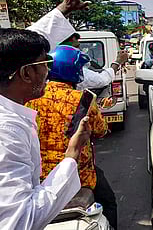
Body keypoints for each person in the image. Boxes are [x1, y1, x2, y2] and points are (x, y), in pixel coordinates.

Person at [0, 28, 91, 229]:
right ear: (26, 73)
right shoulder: (7, 131)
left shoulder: (21, 109)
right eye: (45, 64)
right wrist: (72, 155)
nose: (48, 71)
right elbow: (19, 220)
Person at [25, 45, 117, 228]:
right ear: (74, 71)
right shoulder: (83, 99)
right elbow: (100, 130)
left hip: (38, 176)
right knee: (109, 202)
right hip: (79, 175)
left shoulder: (31, 97)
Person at [61, 33, 129, 90]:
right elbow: (102, 80)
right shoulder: (73, 71)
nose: (79, 51)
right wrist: (118, 61)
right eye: (76, 47)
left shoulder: (53, 68)